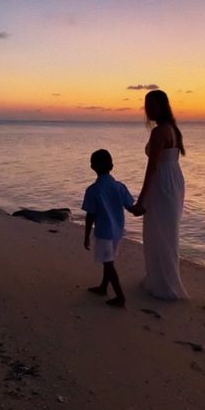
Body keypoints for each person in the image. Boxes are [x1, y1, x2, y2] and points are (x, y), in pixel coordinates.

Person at [133, 89, 188, 299]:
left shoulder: (159, 132)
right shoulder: (172, 129)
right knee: (166, 232)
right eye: (147, 105)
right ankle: (162, 279)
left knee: (160, 233)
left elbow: (152, 168)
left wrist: (142, 199)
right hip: (173, 181)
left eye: (153, 105)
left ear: (162, 106)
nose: (149, 110)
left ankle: (164, 284)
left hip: (162, 183)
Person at [82, 149, 135, 307]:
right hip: (117, 231)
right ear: (112, 166)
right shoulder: (120, 187)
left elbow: (90, 215)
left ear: (92, 167)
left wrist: (86, 236)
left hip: (104, 232)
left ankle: (120, 297)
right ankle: (103, 287)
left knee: (108, 264)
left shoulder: (93, 190)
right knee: (108, 260)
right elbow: (131, 207)